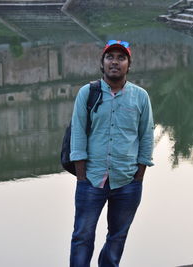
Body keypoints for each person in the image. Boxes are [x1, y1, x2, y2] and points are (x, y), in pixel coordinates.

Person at [69, 40, 154, 267]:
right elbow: (77, 135)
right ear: (102, 63)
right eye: (110, 57)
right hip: (91, 180)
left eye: (121, 58)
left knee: (117, 236)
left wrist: (139, 176)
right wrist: (81, 177)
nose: (115, 62)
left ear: (128, 64)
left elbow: (146, 136)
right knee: (82, 236)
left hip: (127, 181)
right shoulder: (87, 93)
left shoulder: (140, 96)